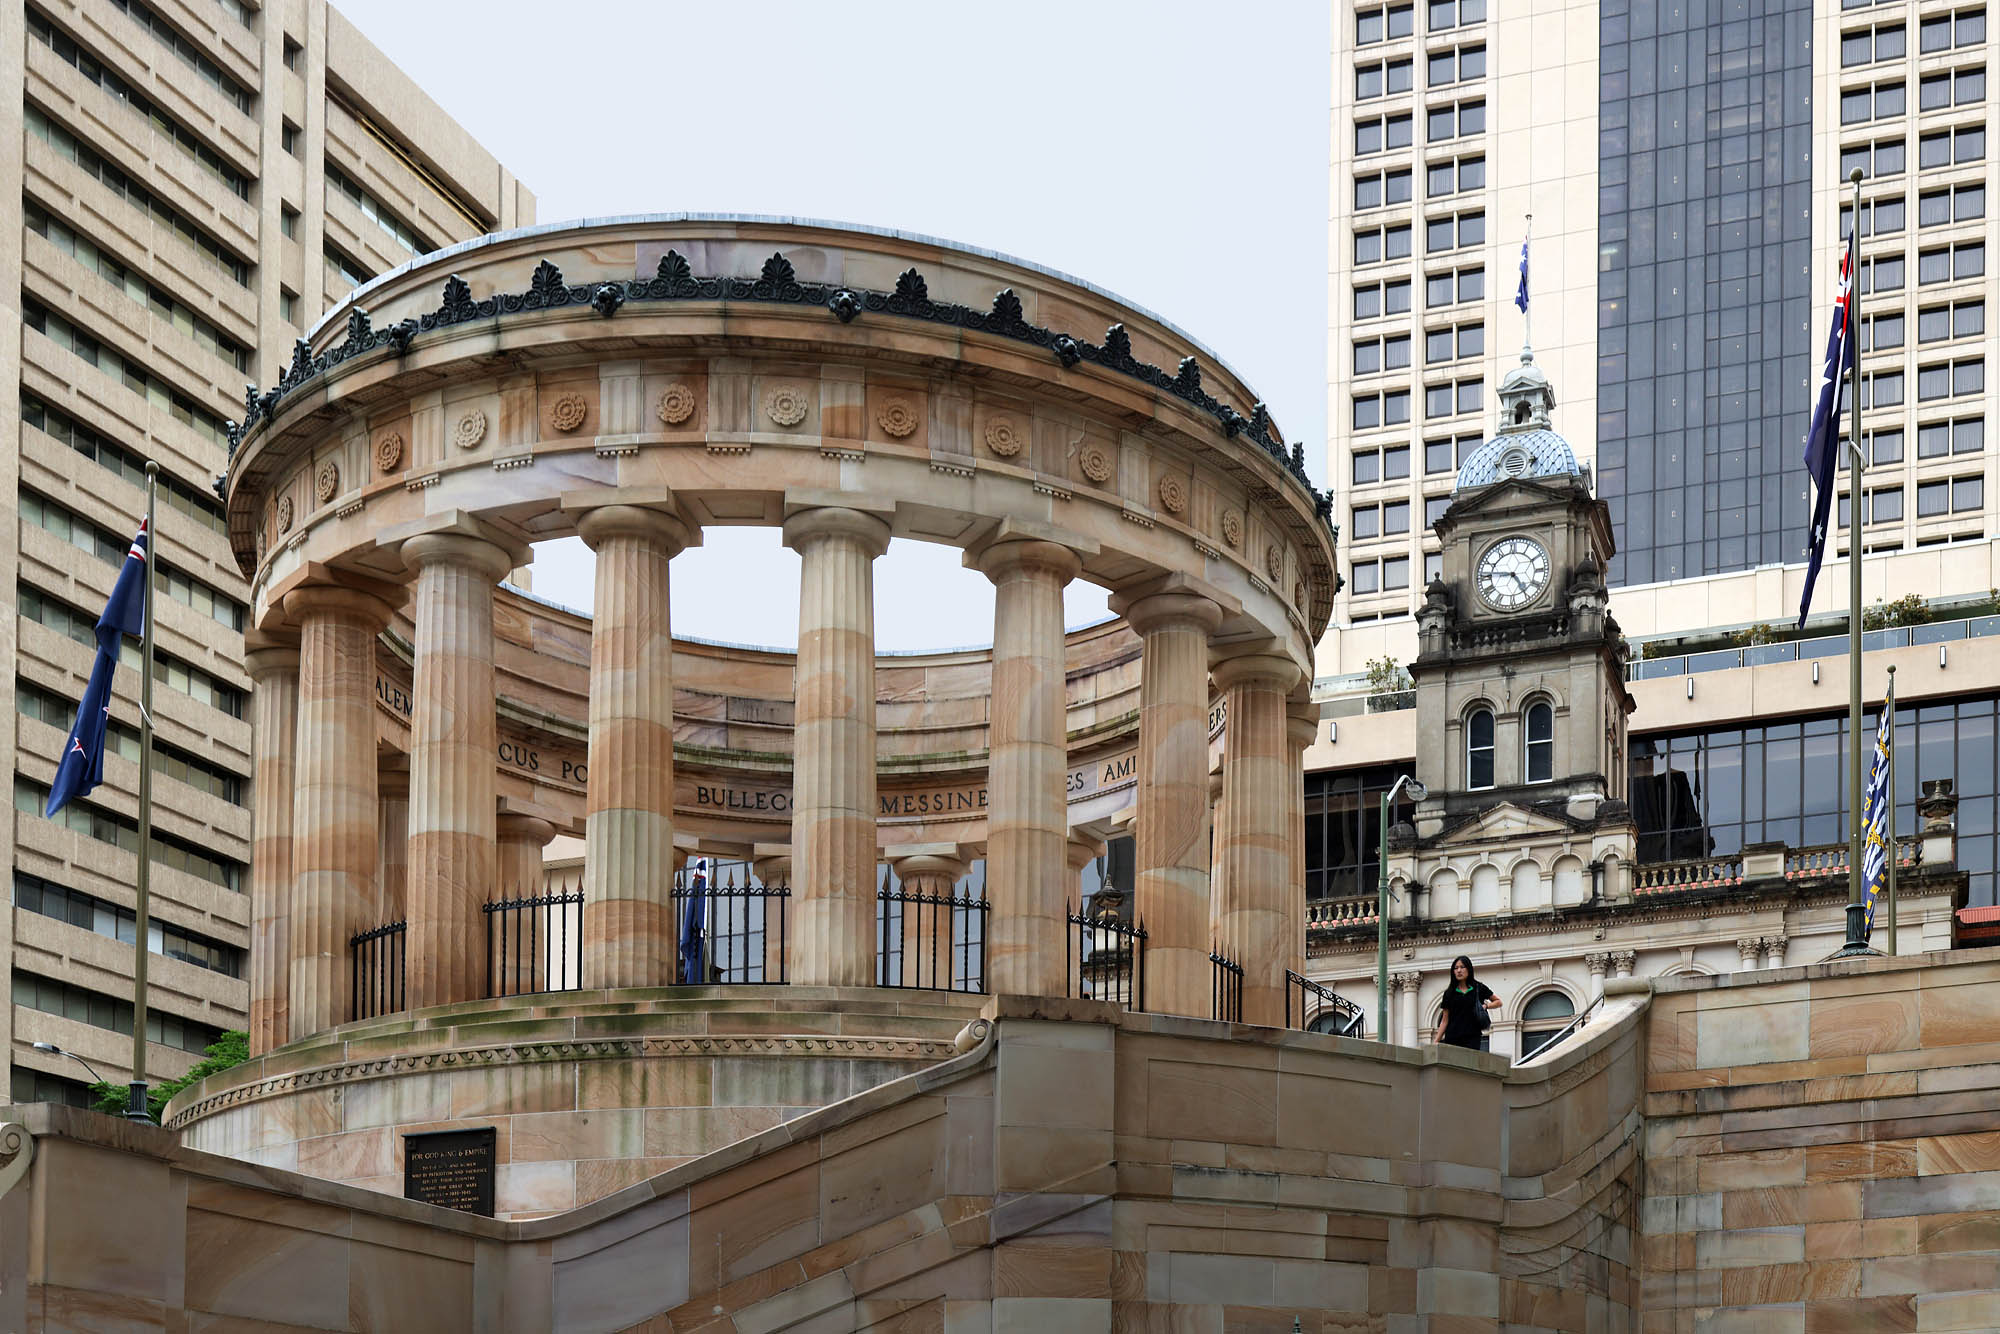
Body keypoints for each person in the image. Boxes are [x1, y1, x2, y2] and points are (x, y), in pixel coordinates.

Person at [1432, 955, 1501, 1050]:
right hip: (1453, 1038)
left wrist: (1486, 1006)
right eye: (1456, 968)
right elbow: (1444, 1020)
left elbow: (1498, 1002)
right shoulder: (1449, 993)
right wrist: (1436, 1041)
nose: (1459, 971)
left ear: (1469, 969)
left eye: (1462, 967)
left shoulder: (1478, 987)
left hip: (1472, 1037)